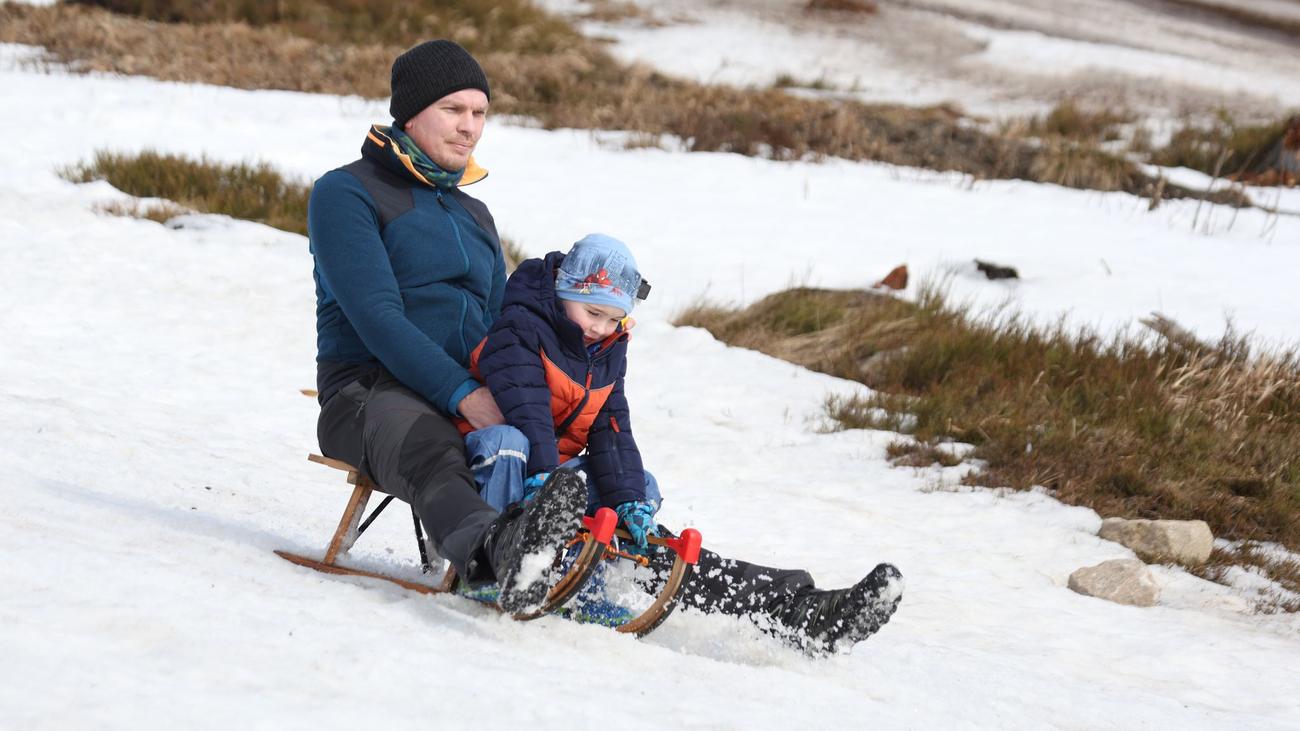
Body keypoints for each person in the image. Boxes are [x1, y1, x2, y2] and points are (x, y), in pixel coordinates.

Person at [307, 38, 902, 653]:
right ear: (410, 111)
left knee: (612, 493)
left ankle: (790, 609)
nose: (469, 128)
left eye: (480, 113)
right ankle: (503, 558)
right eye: (453, 110)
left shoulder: (473, 214)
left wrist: (548, 380)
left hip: (478, 391)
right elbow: (377, 317)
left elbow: (500, 323)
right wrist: (462, 394)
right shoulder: (345, 194)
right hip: (370, 394)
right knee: (437, 451)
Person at [458, 233, 905, 654]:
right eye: (593, 313)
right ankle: (504, 568)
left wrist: (629, 501)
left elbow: (612, 431)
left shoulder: (605, 350)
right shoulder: (521, 327)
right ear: (563, 291)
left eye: (614, 318)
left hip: (552, 488)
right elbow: (527, 408)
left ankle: (800, 611)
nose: (601, 327)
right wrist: (541, 479)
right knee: (508, 442)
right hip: (497, 478)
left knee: (638, 492)